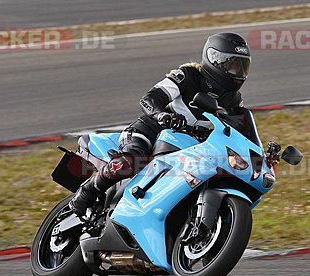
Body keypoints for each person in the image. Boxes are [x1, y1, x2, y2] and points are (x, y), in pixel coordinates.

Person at [69, 32, 257, 215]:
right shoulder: (188, 75)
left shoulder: (233, 99)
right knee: (129, 162)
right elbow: (149, 98)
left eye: (242, 67)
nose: (238, 72)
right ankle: (88, 190)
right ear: (216, 60)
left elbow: (241, 131)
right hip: (152, 130)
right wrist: (161, 115)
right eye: (233, 65)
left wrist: (259, 155)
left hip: (190, 145)